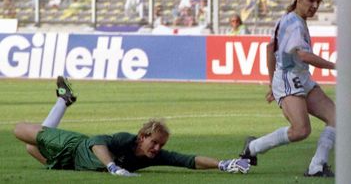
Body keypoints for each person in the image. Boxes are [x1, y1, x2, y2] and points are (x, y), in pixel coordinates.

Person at [14, 76, 250, 176]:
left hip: (69, 165)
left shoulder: (152, 156)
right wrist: (113, 167)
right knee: (21, 131)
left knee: (30, 148)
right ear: (141, 136)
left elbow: (188, 160)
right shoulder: (125, 139)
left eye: (160, 144)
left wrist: (223, 164)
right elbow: (96, 141)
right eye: (154, 142)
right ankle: (63, 101)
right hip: (75, 147)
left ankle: (63, 101)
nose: (157, 148)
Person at [239, 0, 336, 177]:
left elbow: (269, 48)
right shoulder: (294, 25)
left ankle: (317, 166)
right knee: (301, 130)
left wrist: (271, 82)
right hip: (289, 78)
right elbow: (304, 56)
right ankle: (254, 147)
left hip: (300, 77)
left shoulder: (289, 19)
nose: (315, 6)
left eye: (318, 2)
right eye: (311, 0)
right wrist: (337, 66)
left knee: (337, 118)